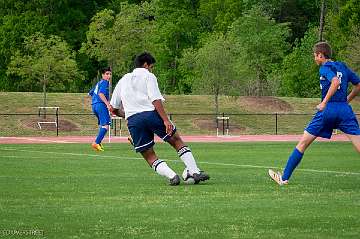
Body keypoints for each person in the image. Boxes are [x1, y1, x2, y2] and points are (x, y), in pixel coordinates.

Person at [110, 52, 210, 186]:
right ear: (146, 65)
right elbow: (155, 99)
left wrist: (127, 115)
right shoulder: (149, 76)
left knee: (149, 155)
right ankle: (193, 171)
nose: (151, 69)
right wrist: (166, 120)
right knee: (176, 140)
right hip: (151, 114)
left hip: (134, 120)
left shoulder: (123, 80)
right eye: (151, 66)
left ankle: (172, 176)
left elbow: (113, 108)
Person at [269, 41, 360, 185]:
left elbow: (335, 82)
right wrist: (346, 100)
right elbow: (358, 85)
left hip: (327, 110)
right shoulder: (343, 66)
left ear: (321, 55)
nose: (314, 59)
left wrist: (324, 102)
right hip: (344, 111)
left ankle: (284, 178)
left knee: (303, 143)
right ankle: (284, 178)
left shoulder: (324, 68)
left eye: (315, 56)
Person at [89, 67, 112, 152]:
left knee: (102, 125)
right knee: (106, 125)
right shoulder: (105, 82)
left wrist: (95, 101)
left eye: (110, 74)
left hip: (94, 106)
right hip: (100, 105)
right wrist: (107, 104)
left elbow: (90, 93)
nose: (108, 76)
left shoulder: (99, 83)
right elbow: (101, 94)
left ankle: (99, 143)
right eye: (107, 74)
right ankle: (96, 142)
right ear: (103, 75)